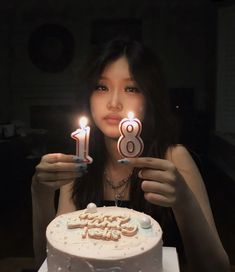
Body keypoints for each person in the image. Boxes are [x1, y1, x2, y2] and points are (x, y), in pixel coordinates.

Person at [31, 37, 230, 271]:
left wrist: (185, 201)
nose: (114, 103)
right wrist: (40, 192)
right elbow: (51, 262)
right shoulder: (79, 164)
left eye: (131, 88)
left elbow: (217, 268)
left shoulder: (173, 158)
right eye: (102, 87)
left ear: (149, 98)